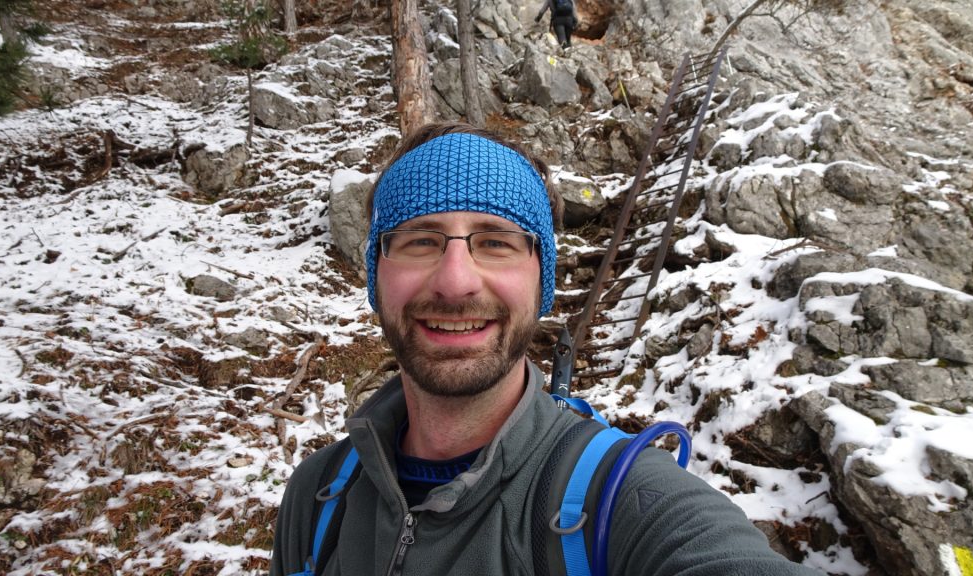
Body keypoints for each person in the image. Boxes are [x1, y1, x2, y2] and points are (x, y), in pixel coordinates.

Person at [270, 121, 822, 575]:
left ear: (543, 280)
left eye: (495, 242)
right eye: (419, 241)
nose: (456, 281)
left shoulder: (625, 501)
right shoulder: (318, 496)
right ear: (376, 275)